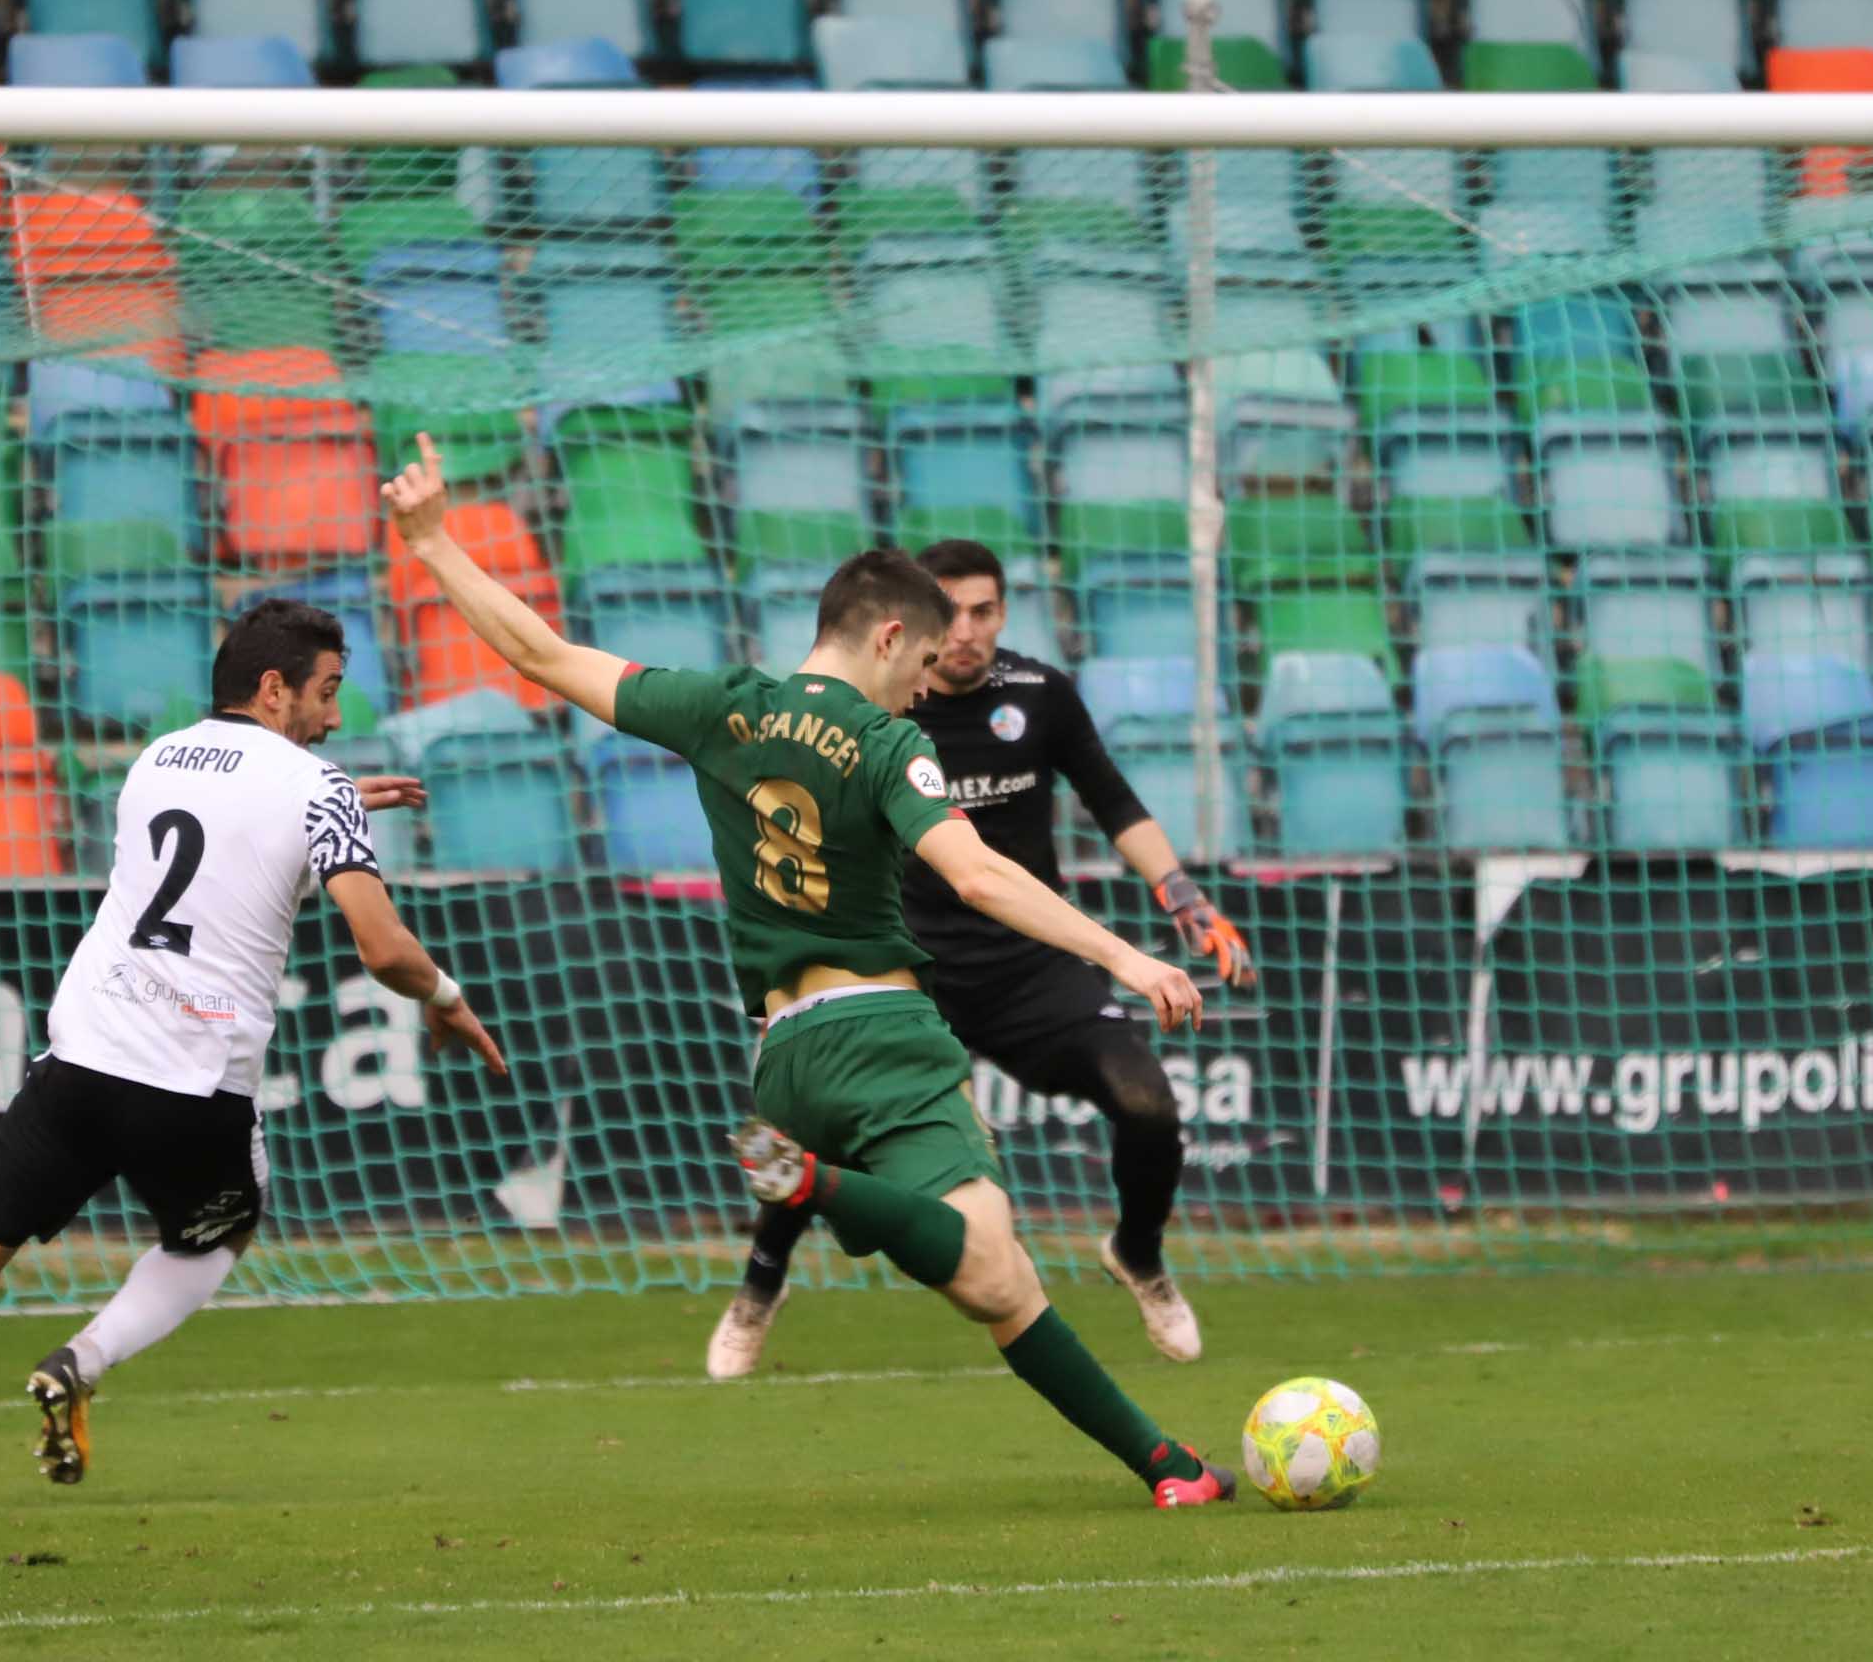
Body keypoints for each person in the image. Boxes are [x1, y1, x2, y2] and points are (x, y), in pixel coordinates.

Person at [382, 438, 1236, 1509]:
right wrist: (1123, 950)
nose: (925, 686)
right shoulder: (889, 743)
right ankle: (823, 1187)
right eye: (921, 664)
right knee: (994, 1266)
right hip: (884, 1035)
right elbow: (974, 872)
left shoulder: (722, 703)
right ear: (888, 635)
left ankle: (1170, 1466)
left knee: (991, 1271)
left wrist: (433, 543)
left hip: (784, 1060)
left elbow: (543, 654)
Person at [0, 601, 507, 1513]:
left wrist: (334, 794)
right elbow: (381, 948)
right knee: (223, 1229)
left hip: (84, 1057)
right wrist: (447, 998)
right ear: (272, 688)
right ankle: (82, 1359)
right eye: (326, 692)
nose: (333, 717)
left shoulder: (153, 760)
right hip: (191, 1079)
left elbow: (222, 833)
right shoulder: (318, 788)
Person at [705, 538, 1253, 1381]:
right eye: (950, 613)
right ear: (910, 626)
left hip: (1032, 967)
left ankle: (1138, 1254)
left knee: (1148, 1102)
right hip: (905, 970)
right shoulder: (876, 709)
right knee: (810, 1138)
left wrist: (1181, 895)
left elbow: (1112, 799)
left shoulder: (1040, 696)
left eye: (986, 611)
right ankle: (760, 1286)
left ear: (1004, 613)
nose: (966, 632)